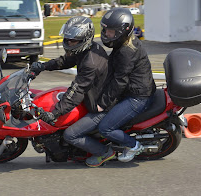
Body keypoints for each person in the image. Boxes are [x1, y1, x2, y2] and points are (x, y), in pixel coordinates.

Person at [30, 16, 114, 167]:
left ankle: (104, 152)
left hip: (100, 107)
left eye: (73, 41)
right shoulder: (85, 50)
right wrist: (43, 66)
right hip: (93, 97)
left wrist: (54, 113)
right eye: (68, 39)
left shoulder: (91, 62)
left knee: (71, 134)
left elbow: (77, 90)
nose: (69, 43)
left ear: (85, 39)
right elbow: (65, 61)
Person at [85, 8, 156, 166]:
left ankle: (133, 146)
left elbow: (119, 81)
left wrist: (102, 103)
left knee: (106, 128)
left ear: (123, 31)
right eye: (105, 29)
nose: (106, 34)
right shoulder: (123, 44)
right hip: (135, 90)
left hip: (138, 97)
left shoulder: (126, 52)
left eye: (110, 31)